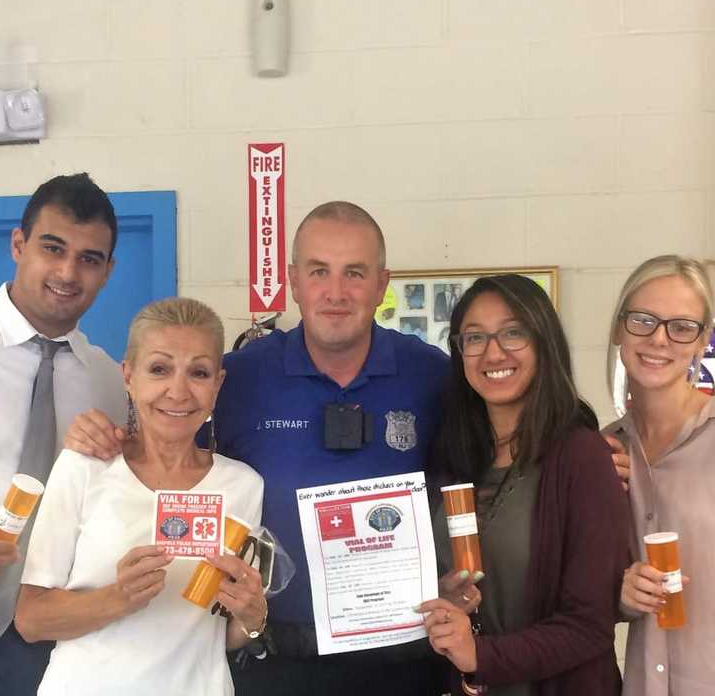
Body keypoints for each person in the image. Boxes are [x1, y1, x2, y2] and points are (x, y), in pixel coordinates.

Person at [63, 202, 451, 695]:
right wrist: (107, 436)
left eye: (354, 272)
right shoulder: (241, 376)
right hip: (269, 657)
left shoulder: (432, 374)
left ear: (381, 283)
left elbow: (475, 474)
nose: (335, 292)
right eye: (318, 271)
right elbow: (167, 446)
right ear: (293, 279)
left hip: (400, 651)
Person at [15, 297, 266, 696]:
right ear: (128, 377)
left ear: (217, 384)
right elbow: (31, 620)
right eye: (159, 369)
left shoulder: (244, 486)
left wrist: (251, 619)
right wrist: (119, 597)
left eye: (198, 372)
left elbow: (215, 634)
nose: (178, 391)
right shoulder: (83, 468)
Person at [419, 274, 630, 695]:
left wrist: (481, 655)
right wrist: (443, 598)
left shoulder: (583, 457)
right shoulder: (453, 457)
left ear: (543, 342)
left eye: (513, 332)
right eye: (474, 338)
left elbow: (590, 626)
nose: (492, 352)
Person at [0, 173, 127, 695]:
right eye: (53, 248)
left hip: (49, 638)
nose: (68, 272)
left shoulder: (109, 382)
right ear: (18, 245)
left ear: (108, 271)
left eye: (90, 259)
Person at [603, 255, 715, 696]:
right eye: (643, 320)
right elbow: (580, 592)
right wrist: (621, 595)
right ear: (618, 328)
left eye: (682, 326)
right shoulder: (603, 452)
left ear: (701, 339)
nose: (659, 339)